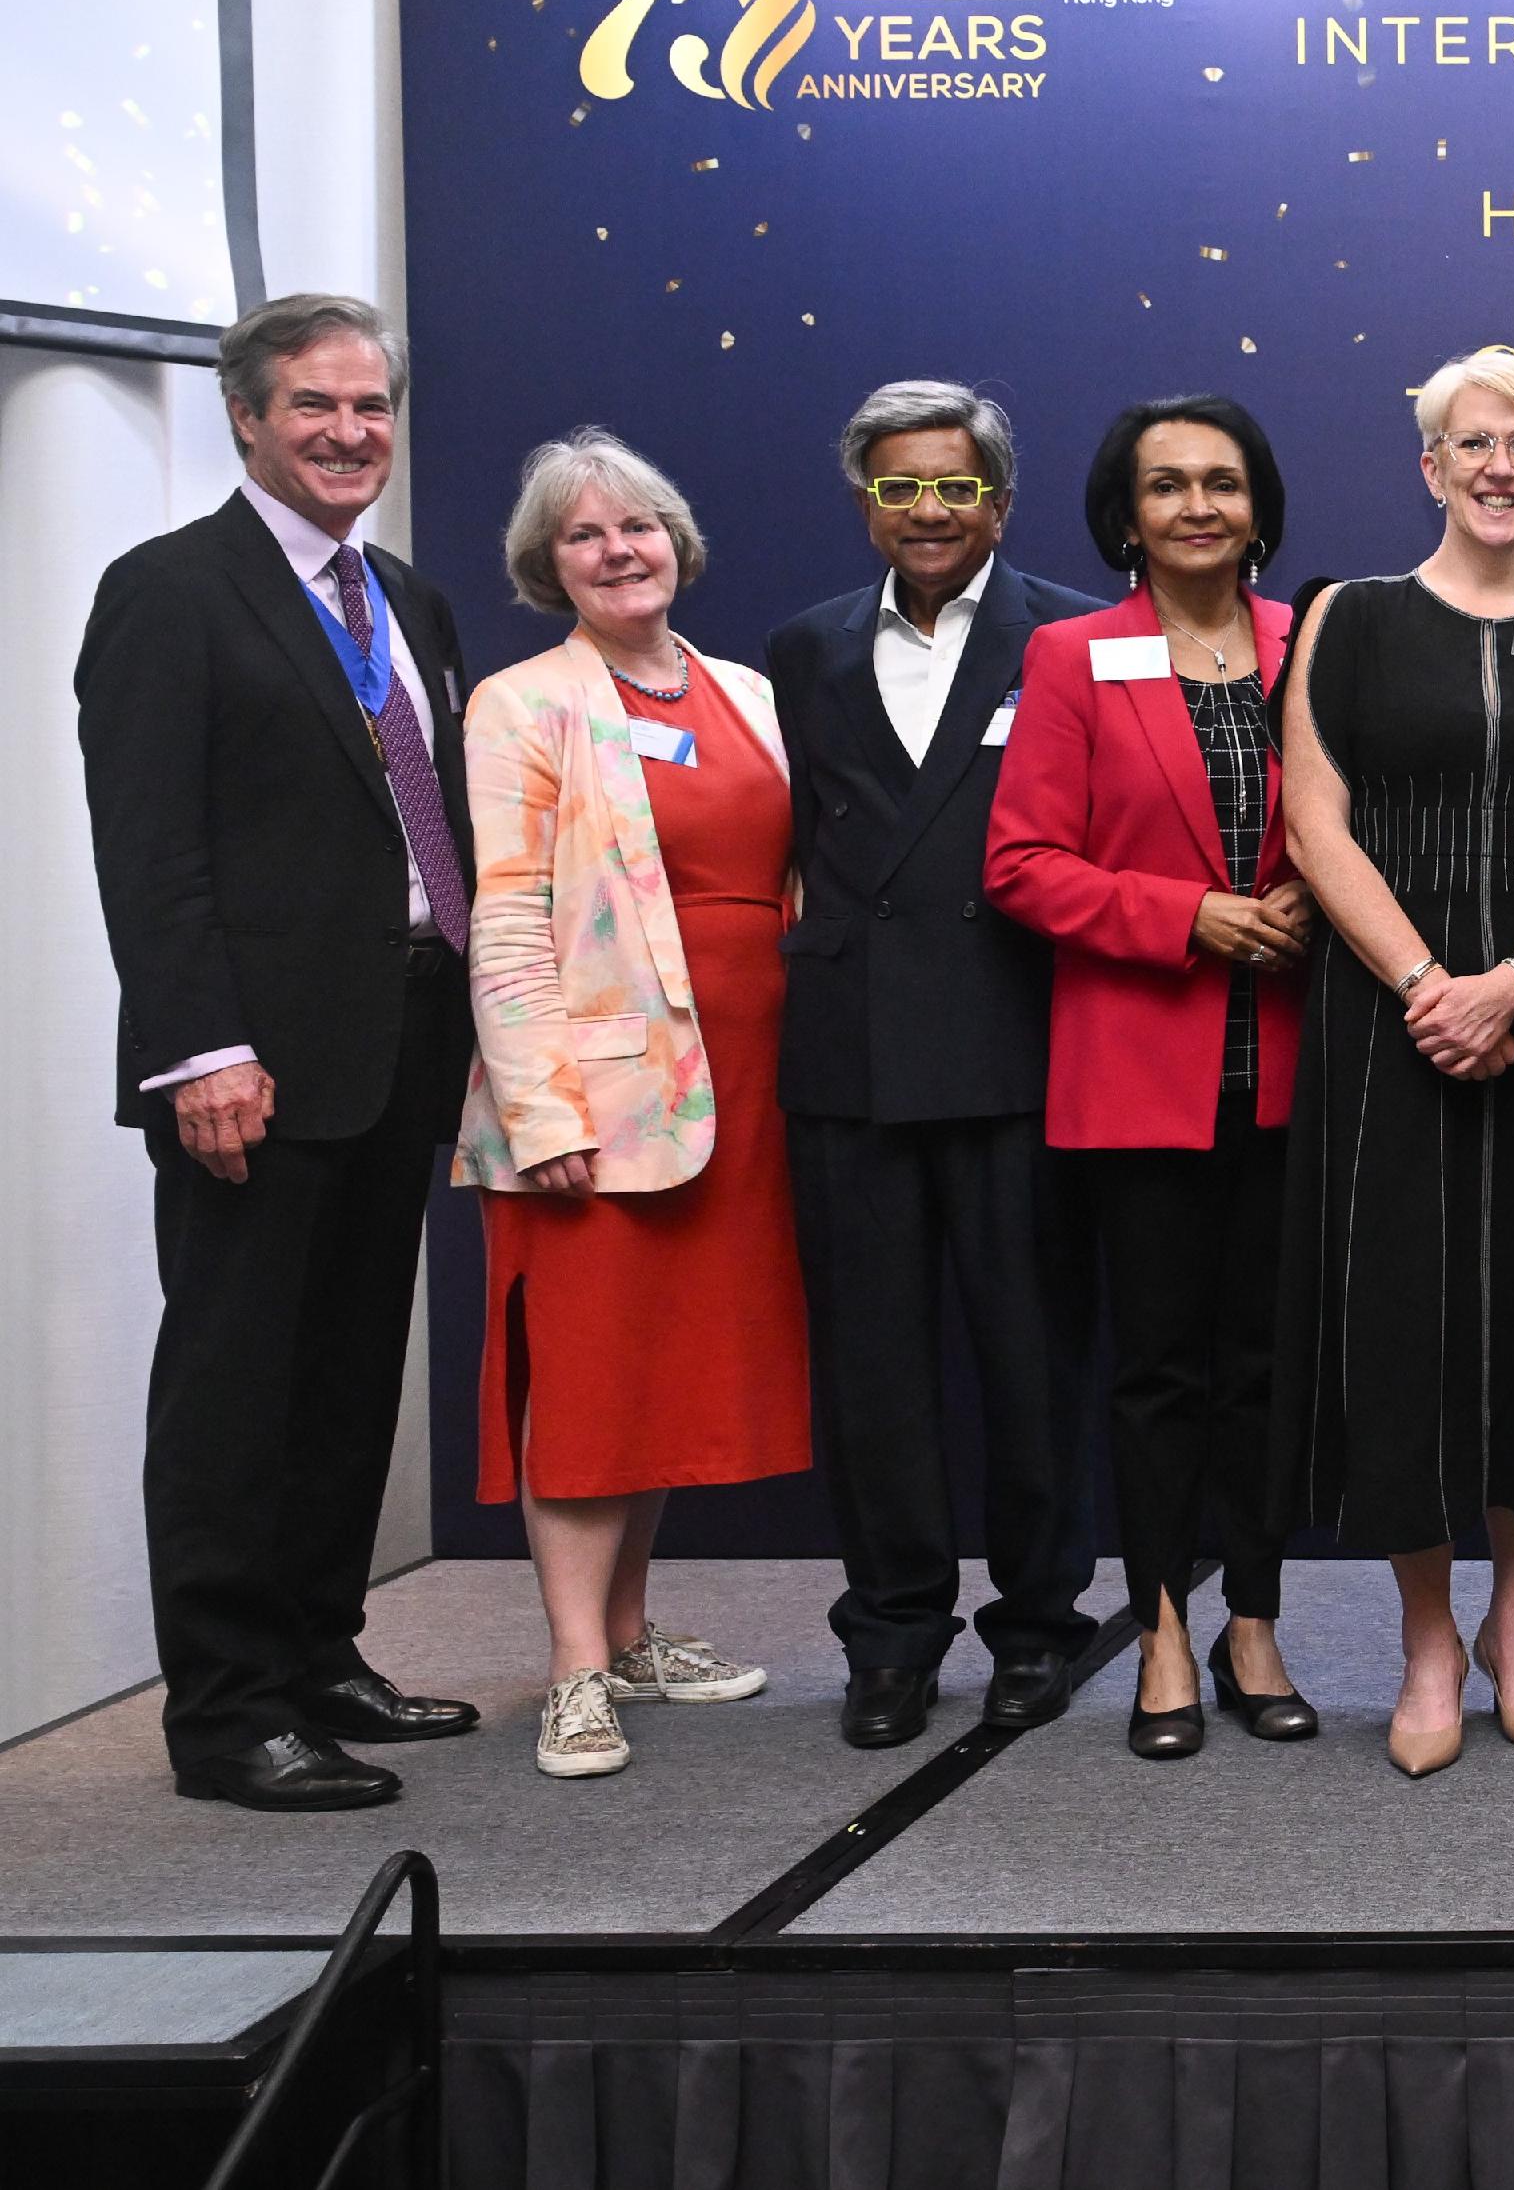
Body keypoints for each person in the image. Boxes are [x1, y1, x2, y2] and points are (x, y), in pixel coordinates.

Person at [77, 294, 484, 1810]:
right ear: (246, 416)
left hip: (400, 1037)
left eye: (371, 406)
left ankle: (320, 1651)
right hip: (251, 1065)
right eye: (314, 405)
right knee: (235, 1391)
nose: (347, 432)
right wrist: (200, 1051)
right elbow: (151, 849)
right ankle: (229, 1711)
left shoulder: (406, 601)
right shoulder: (171, 592)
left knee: (343, 1375)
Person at [1271, 349, 1514, 1778]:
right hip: (1388, 1022)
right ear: (1429, 466)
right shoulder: (1353, 619)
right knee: (1406, 1323)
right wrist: (1430, 985)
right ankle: (1427, 1640)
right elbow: (1316, 824)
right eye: (1472, 443)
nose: (1499, 466)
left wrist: (1510, 982)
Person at [456, 429, 810, 1778]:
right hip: (595, 1100)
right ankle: (572, 1672)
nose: (618, 551)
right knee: (591, 1380)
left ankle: (629, 1628)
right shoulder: (523, 702)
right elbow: (506, 921)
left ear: (678, 541)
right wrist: (541, 1112)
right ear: (549, 567)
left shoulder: (751, 693)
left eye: (638, 527)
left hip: (744, 1088)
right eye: (585, 536)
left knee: (658, 1374)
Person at [766, 383, 1105, 1750]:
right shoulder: (803, 649)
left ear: (999, 504)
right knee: (874, 1374)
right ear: (865, 503)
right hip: (851, 1061)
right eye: (899, 487)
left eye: (954, 488)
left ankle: (1039, 1625)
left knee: (1034, 1363)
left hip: (1021, 1041)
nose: (927, 511)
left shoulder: (1075, 634)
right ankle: (894, 1633)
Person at [986, 397, 1317, 1761]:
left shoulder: (1316, 642)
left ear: (1259, 505)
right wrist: (1184, 916)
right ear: (1125, 515)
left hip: (1295, 1068)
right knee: (1159, 1371)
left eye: (1223, 484)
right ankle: (1165, 1627)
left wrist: (1317, 893)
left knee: (1266, 1370)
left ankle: (1256, 1620)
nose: (1198, 507)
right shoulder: (1072, 656)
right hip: (1142, 1068)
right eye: (1167, 486)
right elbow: (1020, 864)